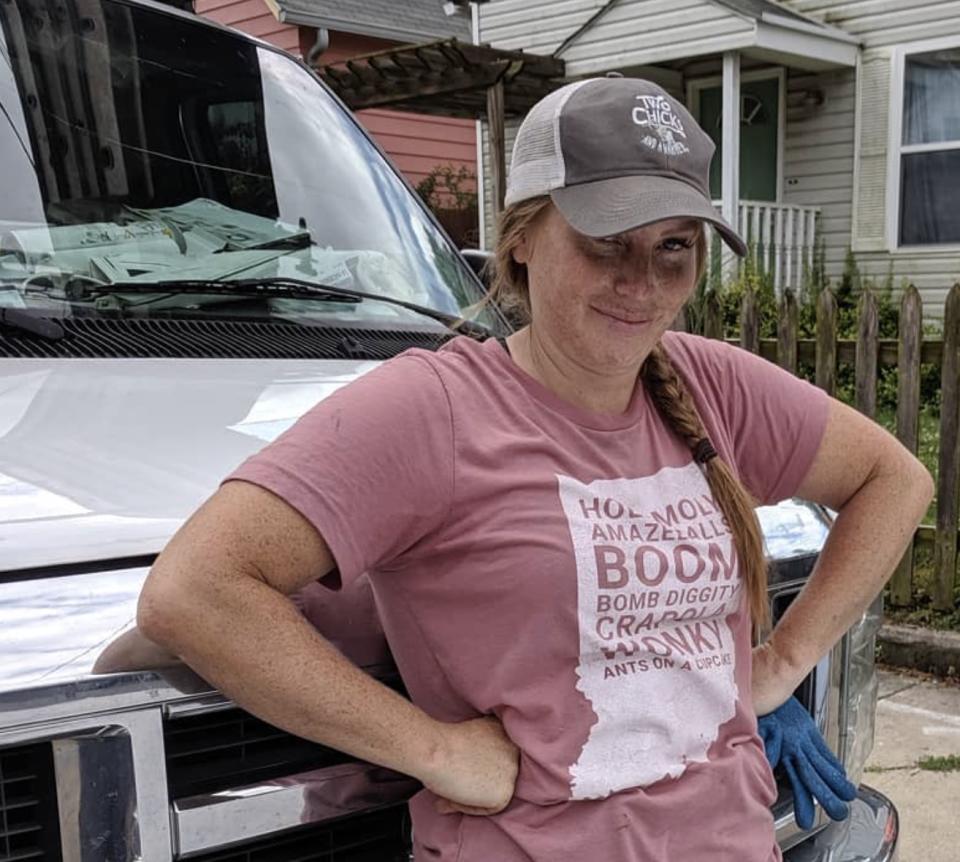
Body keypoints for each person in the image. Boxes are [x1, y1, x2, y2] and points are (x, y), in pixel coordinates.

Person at [137, 78, 933, 861]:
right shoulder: (436, 408)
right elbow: (196, 591)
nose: (642, 285)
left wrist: (782, 665)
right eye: (605, 242)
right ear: (519, 235)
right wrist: (435, 751)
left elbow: (895, 480)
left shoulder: (707, 382)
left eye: (674, 248)